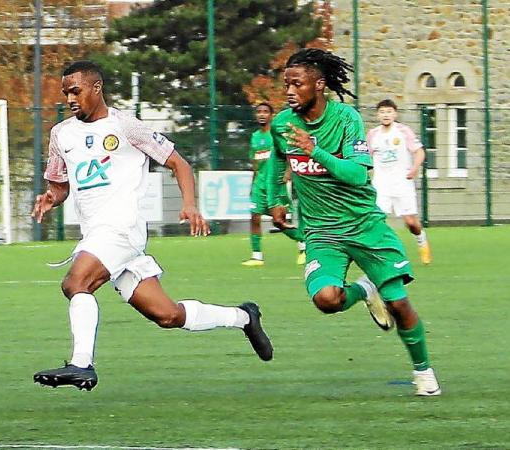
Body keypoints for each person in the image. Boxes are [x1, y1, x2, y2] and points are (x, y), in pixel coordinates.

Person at [31, 60, 273, 391]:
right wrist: (50, 198)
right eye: (65, 93)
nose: (70, 99)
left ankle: (81, 364)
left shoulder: (127, 127)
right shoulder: (61, 135)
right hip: (100, 237)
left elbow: (179, 163)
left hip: (121, 230)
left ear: (96, 88)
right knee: (168, 315)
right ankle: (243, 317)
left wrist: (189, 204)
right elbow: (60, 185)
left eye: (76, 91)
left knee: (75, 283)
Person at [270, 48, 441, 396]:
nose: (289, 91)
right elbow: (277, 159)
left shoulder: (346, 119)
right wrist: (276, 199)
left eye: (297, 84)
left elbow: (358, 176)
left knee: (399, 304)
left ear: (319, 85)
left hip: (364, 225)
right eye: (286, 84)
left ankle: (423, 372)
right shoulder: (281, 124)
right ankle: (364, 289)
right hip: (322, 232)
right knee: (326, 299)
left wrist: (314, 150)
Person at [367, 99, 432, 264]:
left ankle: (421, 240)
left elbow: (419, 152)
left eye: (389, 111)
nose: (386, 115)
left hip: (402, 182)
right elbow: (365, 157)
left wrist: (415, 168)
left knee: (410, 222)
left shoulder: (403, 131)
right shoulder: (373, 134)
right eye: (382, 112)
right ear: (378, 115)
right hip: (381, 183)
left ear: (395, 114)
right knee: (377, 219)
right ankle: (382, 254)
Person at [242, 102, 306, 267]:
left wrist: (288, 172)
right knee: (254, 217)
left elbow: (289, 154)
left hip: (276, 183)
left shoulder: (277, 134)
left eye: (265, 112)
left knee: (280, 220)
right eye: (259, 112)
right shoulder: (255, 136)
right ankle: (257, 256)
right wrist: (252, 184)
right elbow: (254, 163)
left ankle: (303, 247)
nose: (262, 114)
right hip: (259, 184)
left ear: (271, 115)